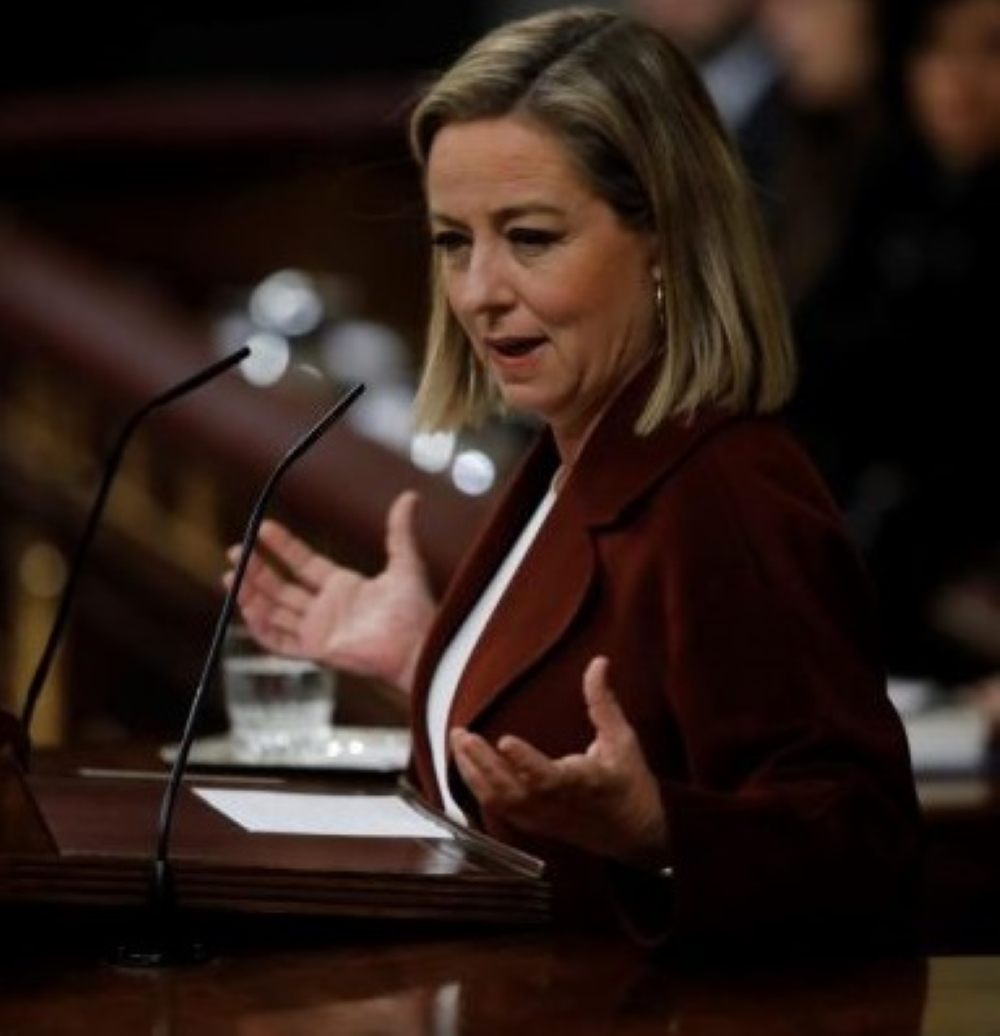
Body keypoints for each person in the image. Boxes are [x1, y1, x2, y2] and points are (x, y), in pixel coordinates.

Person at [227, 6, 923, 957]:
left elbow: (867, 855)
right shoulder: (582, 448)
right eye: (452, 242)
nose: (478, 290)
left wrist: (660, 831)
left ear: (665, 239)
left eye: (531, 236)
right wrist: (437, 659)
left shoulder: (728, 495)